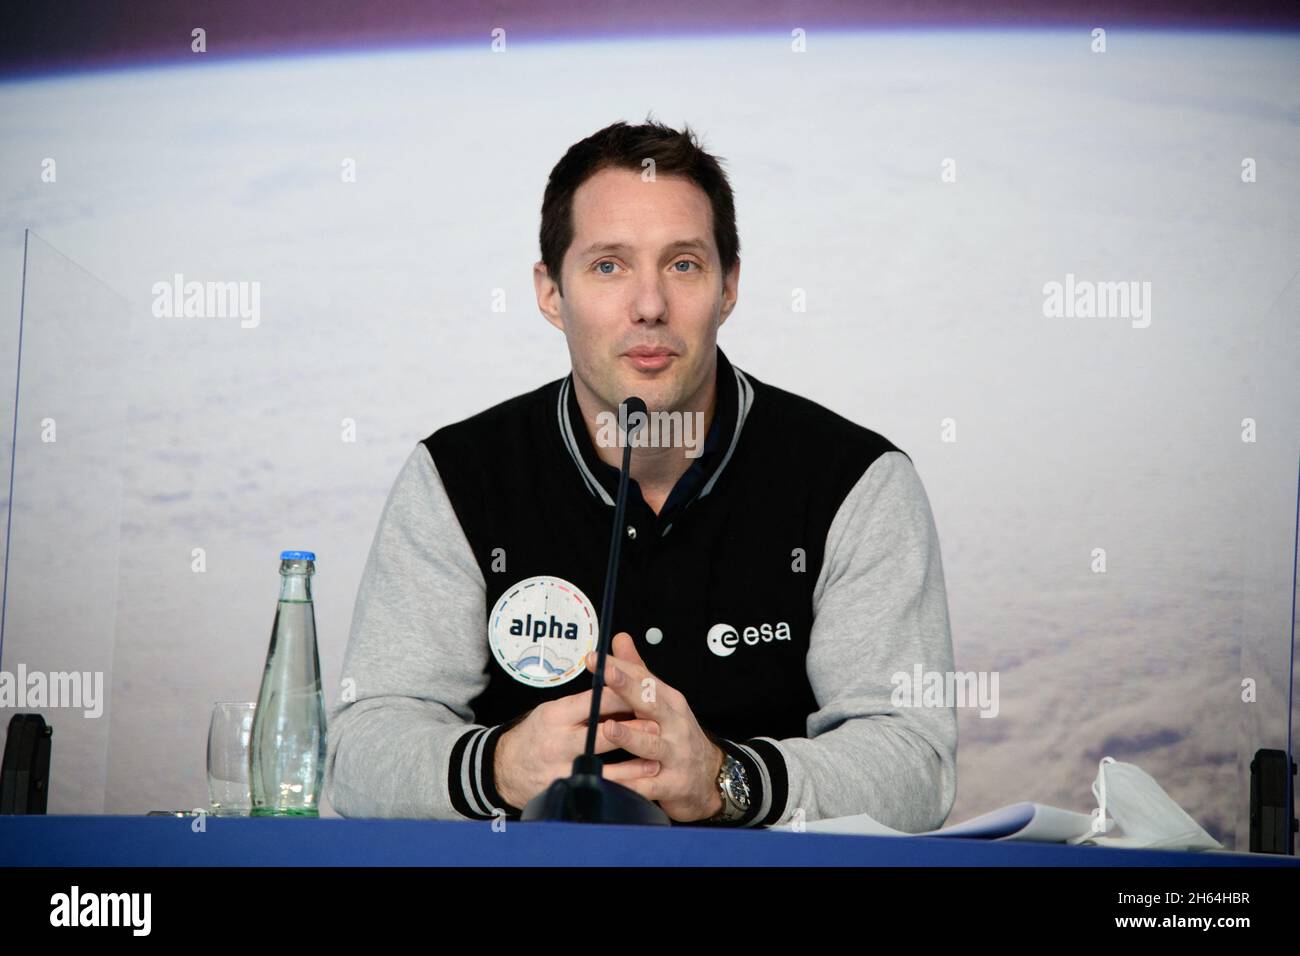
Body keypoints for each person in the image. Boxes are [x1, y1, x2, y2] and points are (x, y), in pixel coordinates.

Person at [325, 118, 957, 829]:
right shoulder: (455, 477)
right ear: (550, 293)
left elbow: (915, 764)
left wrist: (728, 778)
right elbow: (359, 752)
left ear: (729, 287)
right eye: (608, 266)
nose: (650, 306)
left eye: (684, 264)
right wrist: (501, 765)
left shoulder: (858, 482)